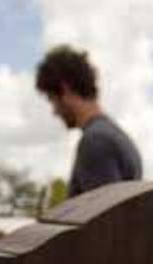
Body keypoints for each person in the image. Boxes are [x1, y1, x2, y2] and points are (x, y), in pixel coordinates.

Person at [35, 45, 142, 197]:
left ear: (65, 90)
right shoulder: (116, 137)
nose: (54, 112)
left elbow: (105, 218)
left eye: (52, 99)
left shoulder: (96, 142)